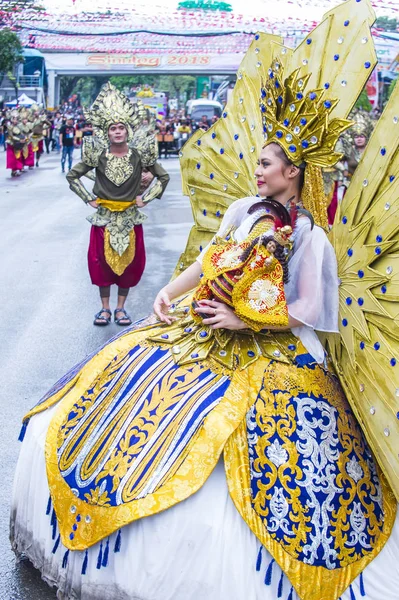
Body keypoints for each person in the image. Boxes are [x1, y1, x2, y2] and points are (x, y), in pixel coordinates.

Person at [10, 4, 399, 600]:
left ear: (292, 173)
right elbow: (209, 260)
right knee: (126, 384)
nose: (257, 169)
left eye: (266, 163)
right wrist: (170, 290)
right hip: (203, 331)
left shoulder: (312, 237)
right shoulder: (244, 211)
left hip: (275, 353)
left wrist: (246, 319)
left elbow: (313, 309)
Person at [66, 83, 170, 327]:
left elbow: (163, 177)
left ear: (127, 131)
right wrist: (87, 198)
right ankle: (104, 309)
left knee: (131, 265)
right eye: (113, 128)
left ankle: (121, 308)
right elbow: (72, 176)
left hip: (131, 218)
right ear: (107, 132)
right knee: (100, 264)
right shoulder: (97, 155)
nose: (118, 132)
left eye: (121, 127)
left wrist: (146, 197)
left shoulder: (140, 154)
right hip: (103, 218)